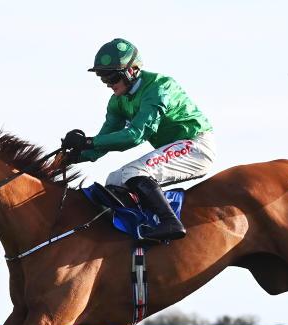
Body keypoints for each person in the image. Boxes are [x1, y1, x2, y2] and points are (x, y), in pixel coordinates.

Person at [62, 38, 215, 241]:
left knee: (134, 172)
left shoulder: (159, 87)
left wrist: (88, 141)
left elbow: (136, 135)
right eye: (102, 77)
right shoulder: (117, 101)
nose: (108, 84)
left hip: (196, 146)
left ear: (132, 70)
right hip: (176, 148)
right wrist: (74, 156)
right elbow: (103, 141)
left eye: (112, 77)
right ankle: (140, 226)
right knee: (114, 180)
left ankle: (170, 222)